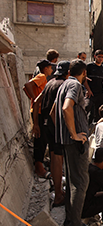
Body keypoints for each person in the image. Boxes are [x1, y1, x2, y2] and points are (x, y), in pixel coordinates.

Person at [54, 59, 93, 226]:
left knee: (72, 181)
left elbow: (55, 111)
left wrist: (64, 133)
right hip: (75, 142)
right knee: (80, 182)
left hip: (66, 141)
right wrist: (74, 134)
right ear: (84, 72)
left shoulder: (63, 84)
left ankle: (70, 221)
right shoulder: (75, 85)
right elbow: (65, 108)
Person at [34, 61, 70, 207]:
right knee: (58, 159)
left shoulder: (49, 83)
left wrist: (36, 123)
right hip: (57, 126)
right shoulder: (65, 85)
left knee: (56, 158)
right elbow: (55, 110)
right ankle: (59, 194)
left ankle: (58, 192)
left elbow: (36, 101)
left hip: (46, 125)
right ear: (68, 73)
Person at [23, 59, 53, 179]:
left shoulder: (42, 78)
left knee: (42, 138)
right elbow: (27, 85)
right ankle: (38, 167)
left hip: (39, 111)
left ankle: (40, 163)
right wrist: (36, 99)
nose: (51, 70)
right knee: (40, 139)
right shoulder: (41, 76)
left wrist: (33, 99)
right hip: (39, 113)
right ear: (46, 68)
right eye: (50, 68)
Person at [84, 50, 103, 124]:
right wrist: (88, 90)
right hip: (90, 93)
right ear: (95, 57)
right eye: (99, 57)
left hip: (100, 93)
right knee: (87, 109)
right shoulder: (89, 66)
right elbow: (84, 78)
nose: (101, 59)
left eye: (102, 57)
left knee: (99, 112)